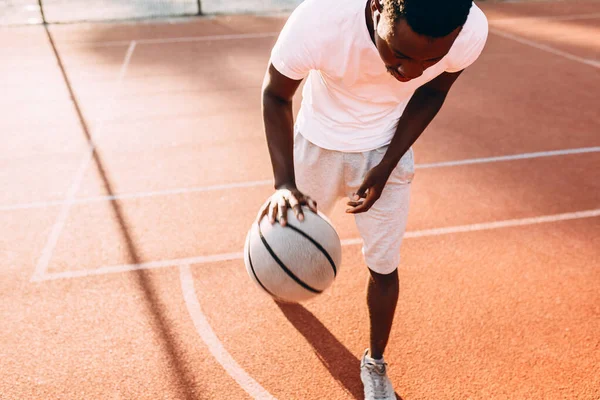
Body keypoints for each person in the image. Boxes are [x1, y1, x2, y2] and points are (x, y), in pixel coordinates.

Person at [258, 0, 488, 397]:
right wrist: (283, 184)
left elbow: (433, 92)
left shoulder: (467, 30)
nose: (411, 71)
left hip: (386, 149)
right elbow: (276, 96)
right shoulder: (321, 19)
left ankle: (376, 362)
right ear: (379, 7)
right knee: (284, 247)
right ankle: (278, 273)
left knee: (384, 268)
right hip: (316, 145)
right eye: (399, 54)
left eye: (429, 58)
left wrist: (388, 164)